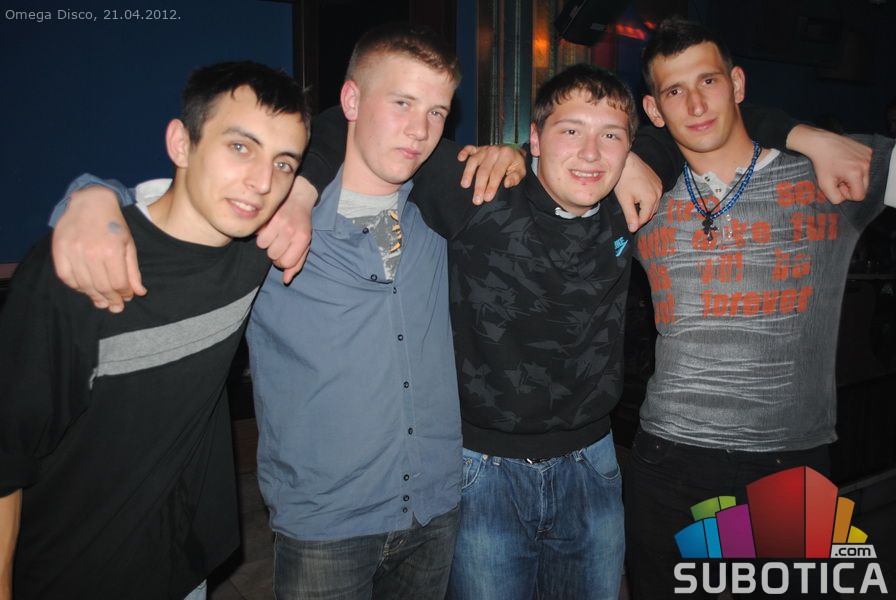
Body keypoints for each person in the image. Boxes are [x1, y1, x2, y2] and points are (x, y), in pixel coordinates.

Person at [0, 61, 310, 600]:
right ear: (181, 143)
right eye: (240, 146)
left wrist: (301, 198)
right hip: (70, 574)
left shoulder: (253, 254)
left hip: (182, 566)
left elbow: (355, 130)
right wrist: (91, 194)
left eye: (283, 163)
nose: (263, 182)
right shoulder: (79, 270)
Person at [624, 17, 896, 599]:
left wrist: (811, 135)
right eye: (674, 91)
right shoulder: (642, 193)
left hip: (789, 466)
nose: (695, 104)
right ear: (654, 110)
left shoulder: (823, 171)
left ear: (738, 84)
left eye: (709, 81)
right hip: (668, 461)